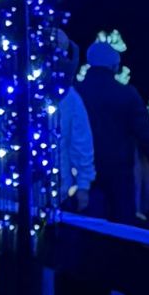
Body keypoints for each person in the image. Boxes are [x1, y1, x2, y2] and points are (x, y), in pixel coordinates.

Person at [75, 37, 149, 224]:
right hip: (118, 169)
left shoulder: (76, 93)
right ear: (114, 65)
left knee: (86, 222)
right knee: (121, 223)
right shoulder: (126, 94)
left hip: (82, 169)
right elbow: (144, 131)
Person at [54, 51, 95, 213]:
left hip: (56, 189)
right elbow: (81, 143)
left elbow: (80, 142)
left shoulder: (69, 97)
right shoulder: (70, 97)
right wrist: (83, 184)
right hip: (58, 189)